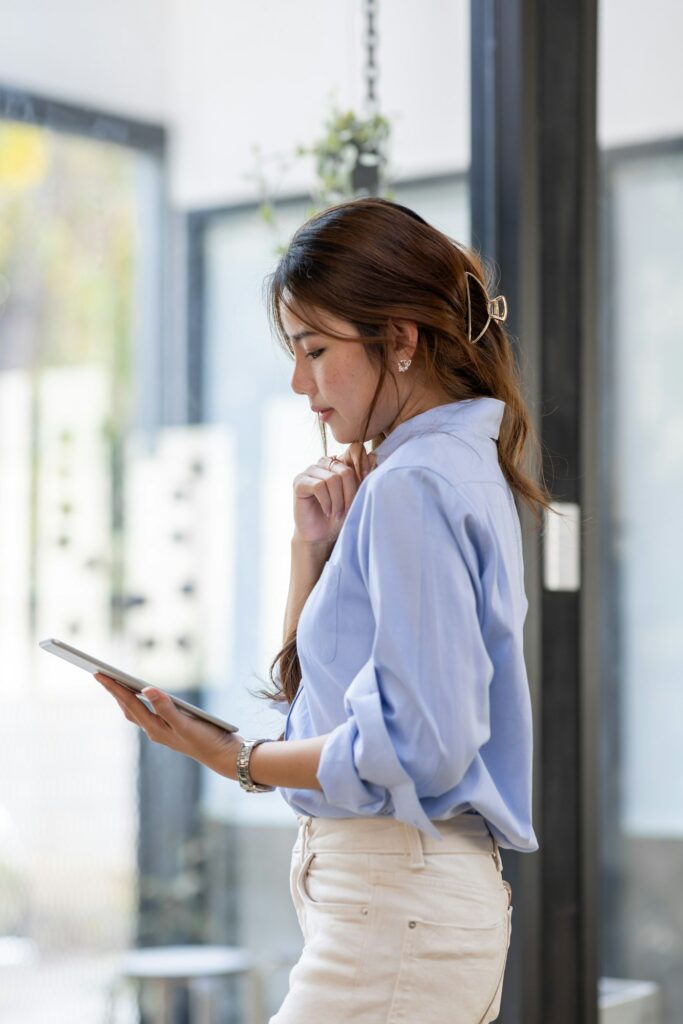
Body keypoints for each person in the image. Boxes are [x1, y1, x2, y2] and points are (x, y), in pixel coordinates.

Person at [96, 197, 551, 1023]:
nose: (301, 385)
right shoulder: (447, 469)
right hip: (406, 904)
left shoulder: (414, 485)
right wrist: (315, 549)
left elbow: (422, 746)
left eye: (314, 349)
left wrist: (235, 757)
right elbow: (327, 707)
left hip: (394, 905)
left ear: (401, 341)